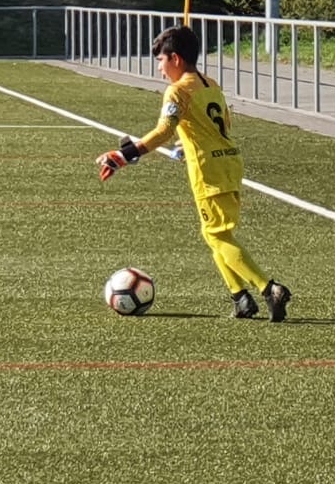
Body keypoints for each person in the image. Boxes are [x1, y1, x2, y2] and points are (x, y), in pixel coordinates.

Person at [96, 25, 292, 321]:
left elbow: (164, 130)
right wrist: (188, 144)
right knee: (215, 233)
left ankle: (268, 289)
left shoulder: (177, 91)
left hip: (209, 169)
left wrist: (124, 154)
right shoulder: (209, 83)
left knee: (217, 235)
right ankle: (240, 298)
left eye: (160, 61)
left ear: (175, 58)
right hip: (229, 162)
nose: (160, 69)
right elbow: (221, 123)